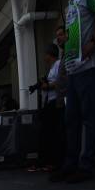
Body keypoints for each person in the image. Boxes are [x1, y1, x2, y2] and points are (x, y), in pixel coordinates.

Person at [51, 0, 95, 184]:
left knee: (90, 118)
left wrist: (93, 40)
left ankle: (86, 165)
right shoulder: (70, 2)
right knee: (71, 120)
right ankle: (70, 164)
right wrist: (66, 43)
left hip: (88, 67)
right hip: (72, 70)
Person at [31, 43, 64, 172]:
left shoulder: (58, 65)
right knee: (47, 133)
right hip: (49, 103)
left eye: (45, 54)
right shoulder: (52, 68)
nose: (44, 57)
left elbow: (61, 82)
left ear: (49, 54)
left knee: (50, 133)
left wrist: (47, 86)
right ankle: (49, 161)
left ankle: (50, 162)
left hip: (54, 103)